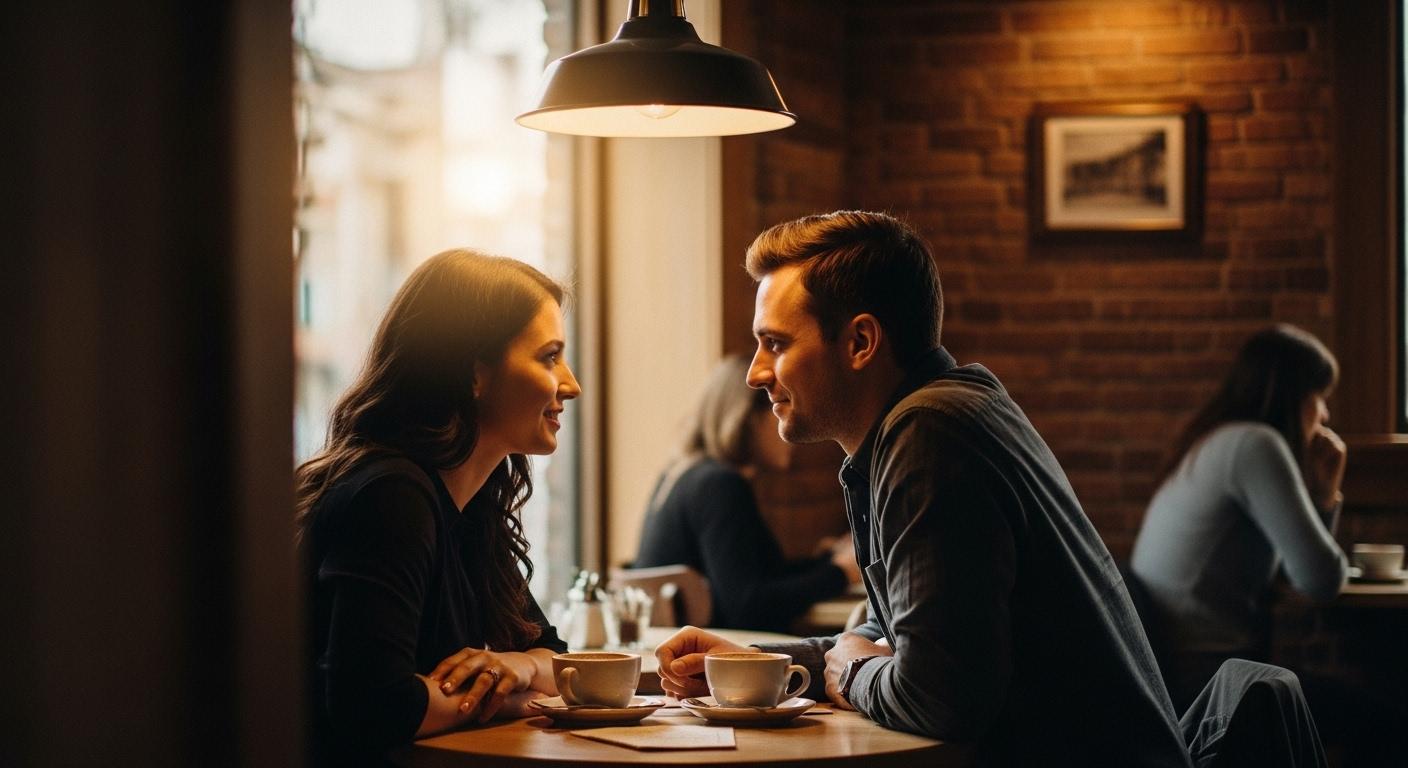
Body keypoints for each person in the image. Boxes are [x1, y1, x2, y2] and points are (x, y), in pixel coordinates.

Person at [655, 211, 1194, 766]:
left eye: (775, 344)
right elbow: (889, 640)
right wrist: (757, 665)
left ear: (861, 341)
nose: (756, 373)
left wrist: (857, 669)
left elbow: (937, 696)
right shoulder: (944, 411)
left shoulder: (929, 432)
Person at [297, 249, 580, 765]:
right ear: (474, 372)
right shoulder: (391, 497)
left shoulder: (472, 509)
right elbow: (370, 706)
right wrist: (511, 696)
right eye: (548, 357)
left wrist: (517, 665)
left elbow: (556, 657)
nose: (571, 384)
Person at [1130, 324, 1348, 709]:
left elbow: (1295, 576)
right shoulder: (1255, 446)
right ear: (1292, 395)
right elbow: (1320, 580)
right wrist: (1327, 494)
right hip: (1209, 689)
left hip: (1178, 673)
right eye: (1318, 395)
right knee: (1390, 718)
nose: (1325, 412)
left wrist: (1321, 497)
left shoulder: (1218, 439)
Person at [633, 354, 860, 632]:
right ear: (747, 417)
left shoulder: (682, 475)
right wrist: (842, 572)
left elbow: (751, 577)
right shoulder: (719, 485)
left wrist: (825, 563)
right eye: (780, 406)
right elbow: (748, 606)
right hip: (713, 661)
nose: (791, 419)